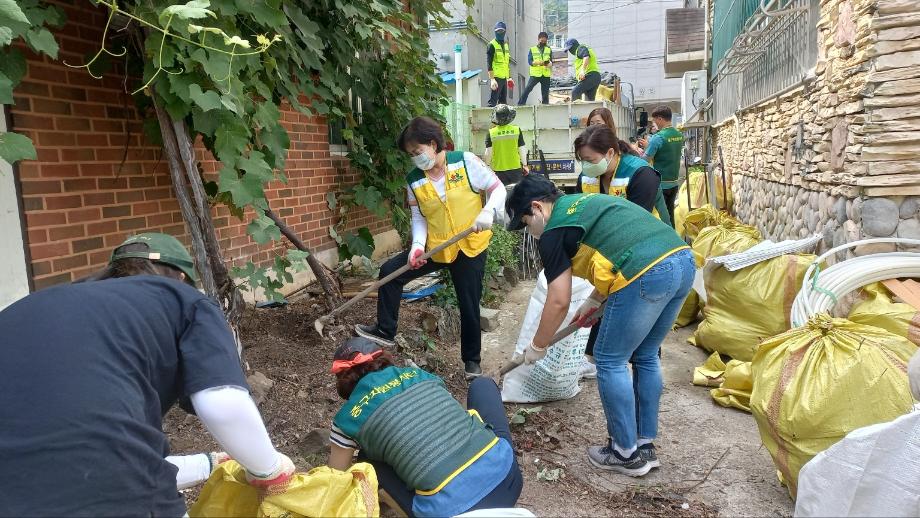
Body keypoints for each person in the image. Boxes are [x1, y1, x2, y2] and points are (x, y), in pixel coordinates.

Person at [0, 233, 294, 516]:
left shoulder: (33, 306)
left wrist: (209, 462)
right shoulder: (182, 299)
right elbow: (223, 404)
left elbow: (65, 454)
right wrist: (270, 469)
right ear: (180, 277)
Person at [504, 175, 694, 477]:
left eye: (526, 223)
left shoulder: (553, 231)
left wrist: (538, 345)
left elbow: (558, 300)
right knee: (644, 356)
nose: (530, 231)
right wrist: (594, 300)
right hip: (681, 261)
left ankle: (624, 452)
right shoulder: (584, 203)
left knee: (609, 359)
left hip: (645, 271)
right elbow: (618, 244)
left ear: (537, 208)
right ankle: (644, 446)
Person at [356, 117, 506, 378]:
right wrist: (416, 247)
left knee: (468, 304)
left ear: (433, 144)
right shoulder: (414, 180)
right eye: (411, 154)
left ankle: (472, 362)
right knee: (391, 272)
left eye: (418, 151)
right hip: (438, 246)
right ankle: (385, 331)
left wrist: (488, 211)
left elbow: (498, 189)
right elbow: (419, 218)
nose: (415, 158)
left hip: (470, 245)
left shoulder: (465, 161)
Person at [327, 337, 522, 517]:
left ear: (343, 381)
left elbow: (336, 478)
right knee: (483, 384)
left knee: (365, 462)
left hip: (451, 513)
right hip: (508, 482)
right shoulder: (420, 375)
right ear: (382, 359)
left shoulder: (347, 418)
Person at [574, 124, 673, 379]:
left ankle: (645, 366)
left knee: (643, 312)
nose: (586, 166)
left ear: (610, 152)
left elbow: (636, 229)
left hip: (653, 251)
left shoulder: (641, 175)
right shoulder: (588, 177)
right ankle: (598, 359)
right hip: (613, 248)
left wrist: (598, 291)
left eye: (590, 160)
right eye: (582, 161)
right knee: (612, 302)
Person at [636, 105, 684, 226]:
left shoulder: (658, 138)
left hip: (661, 184)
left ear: (660, 119)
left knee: (661, 218)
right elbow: (667, 152)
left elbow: (645, 160)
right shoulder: (678, 134)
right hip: (674, 182)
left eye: (654, 120)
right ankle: (674, 239)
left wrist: (636, 151)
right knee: (670, 214)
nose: (654, 123)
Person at [485, 104, 529, 185]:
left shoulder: (491, 132)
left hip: (499, 170)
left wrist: (487, 166)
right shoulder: (516, 130)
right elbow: (522, 149)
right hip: (515, 169)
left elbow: (488, 153)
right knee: (517, 194)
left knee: (502, 195)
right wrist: (525, 165)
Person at [518, 31, 553, 105]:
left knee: (545, 93)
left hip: (546, 74)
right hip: (535, 74)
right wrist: (539, 63)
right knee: (528, 89)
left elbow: (551, 61)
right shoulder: (532, 49)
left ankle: (545, 106)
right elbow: (530, 62)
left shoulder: (549, 49)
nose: (543, 42)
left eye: (545, 41)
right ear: (538, 39)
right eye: (542, 41)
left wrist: (549, 64)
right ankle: (520, 104)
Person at [487, 21, 511, 107]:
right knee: (492, 102)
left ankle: (502, 119)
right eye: (497, 31)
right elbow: (489, 63)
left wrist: (509, 78)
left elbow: (506, 63)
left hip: (504, 77)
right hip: (496, 77)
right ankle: (489, 119)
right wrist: (492, 79)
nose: (499, 33)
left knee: (503, 103)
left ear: (505, 32)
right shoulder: (491, 45)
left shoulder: (506, 45)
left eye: (501, 31)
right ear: (495, 32)